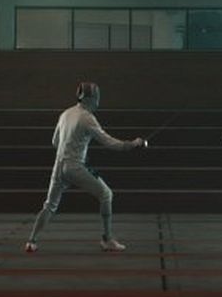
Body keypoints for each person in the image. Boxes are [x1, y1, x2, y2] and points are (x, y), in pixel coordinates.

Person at [24, 82, 145, 253]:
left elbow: (55, 142)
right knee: (106, 194)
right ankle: (107, 239)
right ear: (91, 98)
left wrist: (70, 150)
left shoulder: (65, 114)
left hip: (58, 166)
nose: (98, 102)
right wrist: (132, 144)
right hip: (75, 167)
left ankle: (31, 241)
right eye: (96, 98)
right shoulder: (87, 118)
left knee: (50, 205)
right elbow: (109, 142)